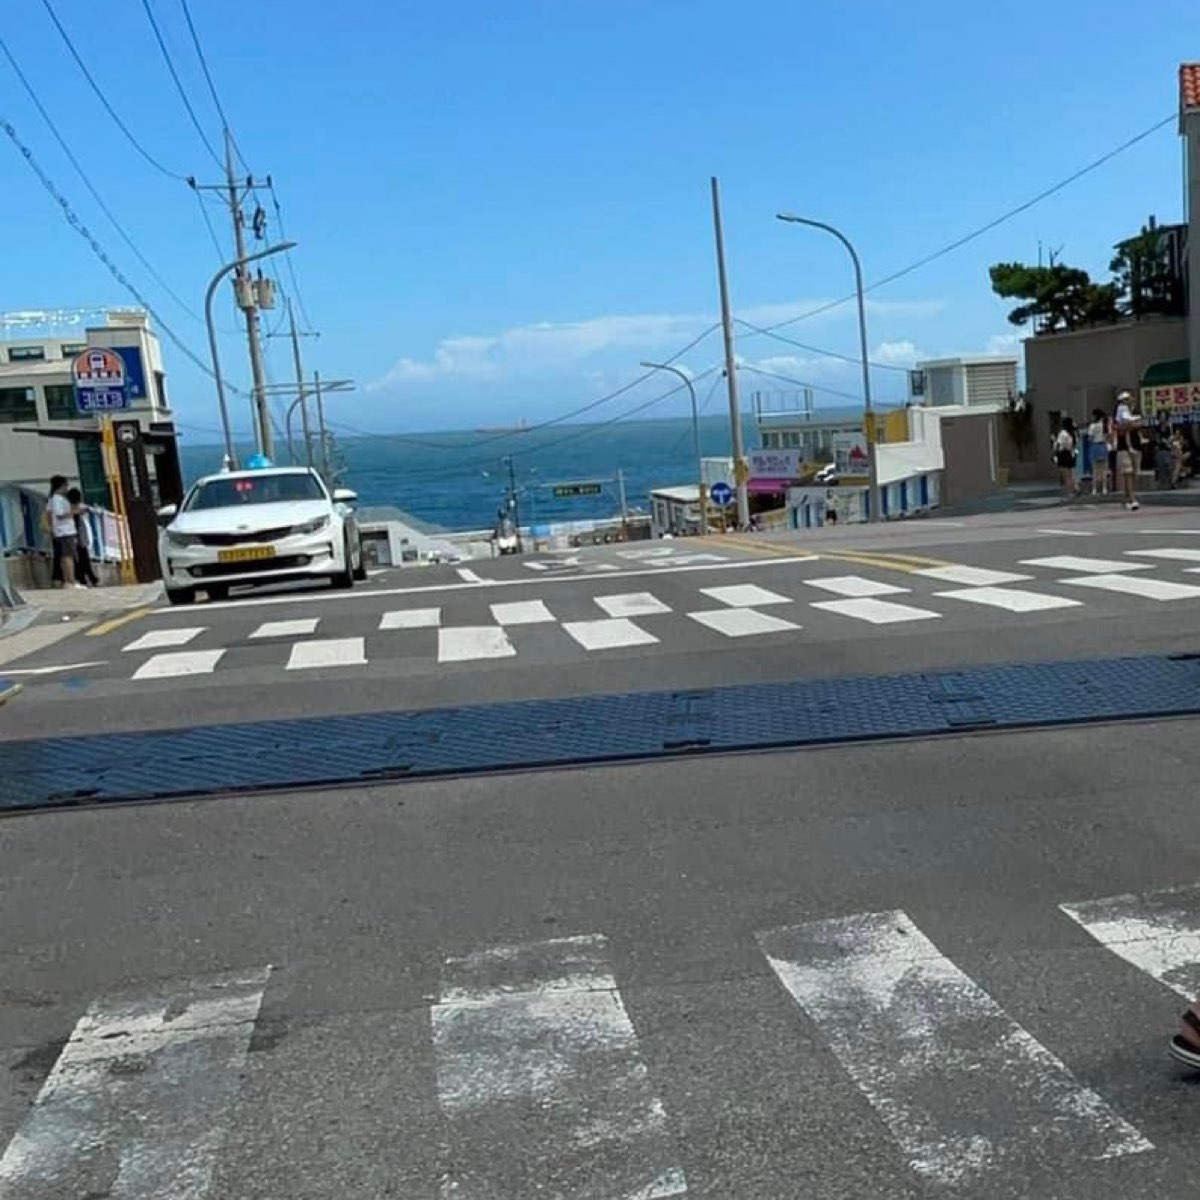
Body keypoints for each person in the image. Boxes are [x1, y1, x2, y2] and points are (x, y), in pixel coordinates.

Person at [46, 475, 81, 588]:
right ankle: (70, 581)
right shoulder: (57, 499)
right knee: (68, 557)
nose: (67, 488)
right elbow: (60, 514)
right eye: (66, 485)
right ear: (61, 486)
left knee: (65, 556)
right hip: (65, 531)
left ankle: (68, 581)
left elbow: (49, 515)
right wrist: (75, 512)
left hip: (61, 531)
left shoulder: (53, 499)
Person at [1113, 391, 1142, 511]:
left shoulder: (1134, 412)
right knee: (1128, 473)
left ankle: (1127, 498)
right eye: (1126, 399)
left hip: (1135, 446)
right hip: (1123, 447)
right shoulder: (1120, 412)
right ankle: (1132, 499)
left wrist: (1132, 424)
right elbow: (1120, 427)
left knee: (1134, 474)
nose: (1129, 401)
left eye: (1130, 399)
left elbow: (1139, 424)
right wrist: (1130, 425)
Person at [67, 487, 99, 586]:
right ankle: (87, 578)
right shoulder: (75, 510)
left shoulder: (72, 509)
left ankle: (86, 578)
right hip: (78, 537)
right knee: (83, 558)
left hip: (76, 537)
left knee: (80, 558)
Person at [1085, 408, 1111, 496]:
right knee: (1104, 469)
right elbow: (1108, 437)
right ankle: (1104, 488)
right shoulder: (1105, 425)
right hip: (1103, 446)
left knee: (1095, 470)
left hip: (1095, 446)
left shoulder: (1092, 426)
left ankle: (1094, 489)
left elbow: (1090, 438)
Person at [1053, 418, 1078, 498]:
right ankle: (1074, 488)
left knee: (1066, 475)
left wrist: (1054, 453)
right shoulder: (1072, 434)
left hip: (1063, 454)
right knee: (1070, 474)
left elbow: (1058, 444)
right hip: (1071, 454)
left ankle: (1070, 492)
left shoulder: (1063, 433)